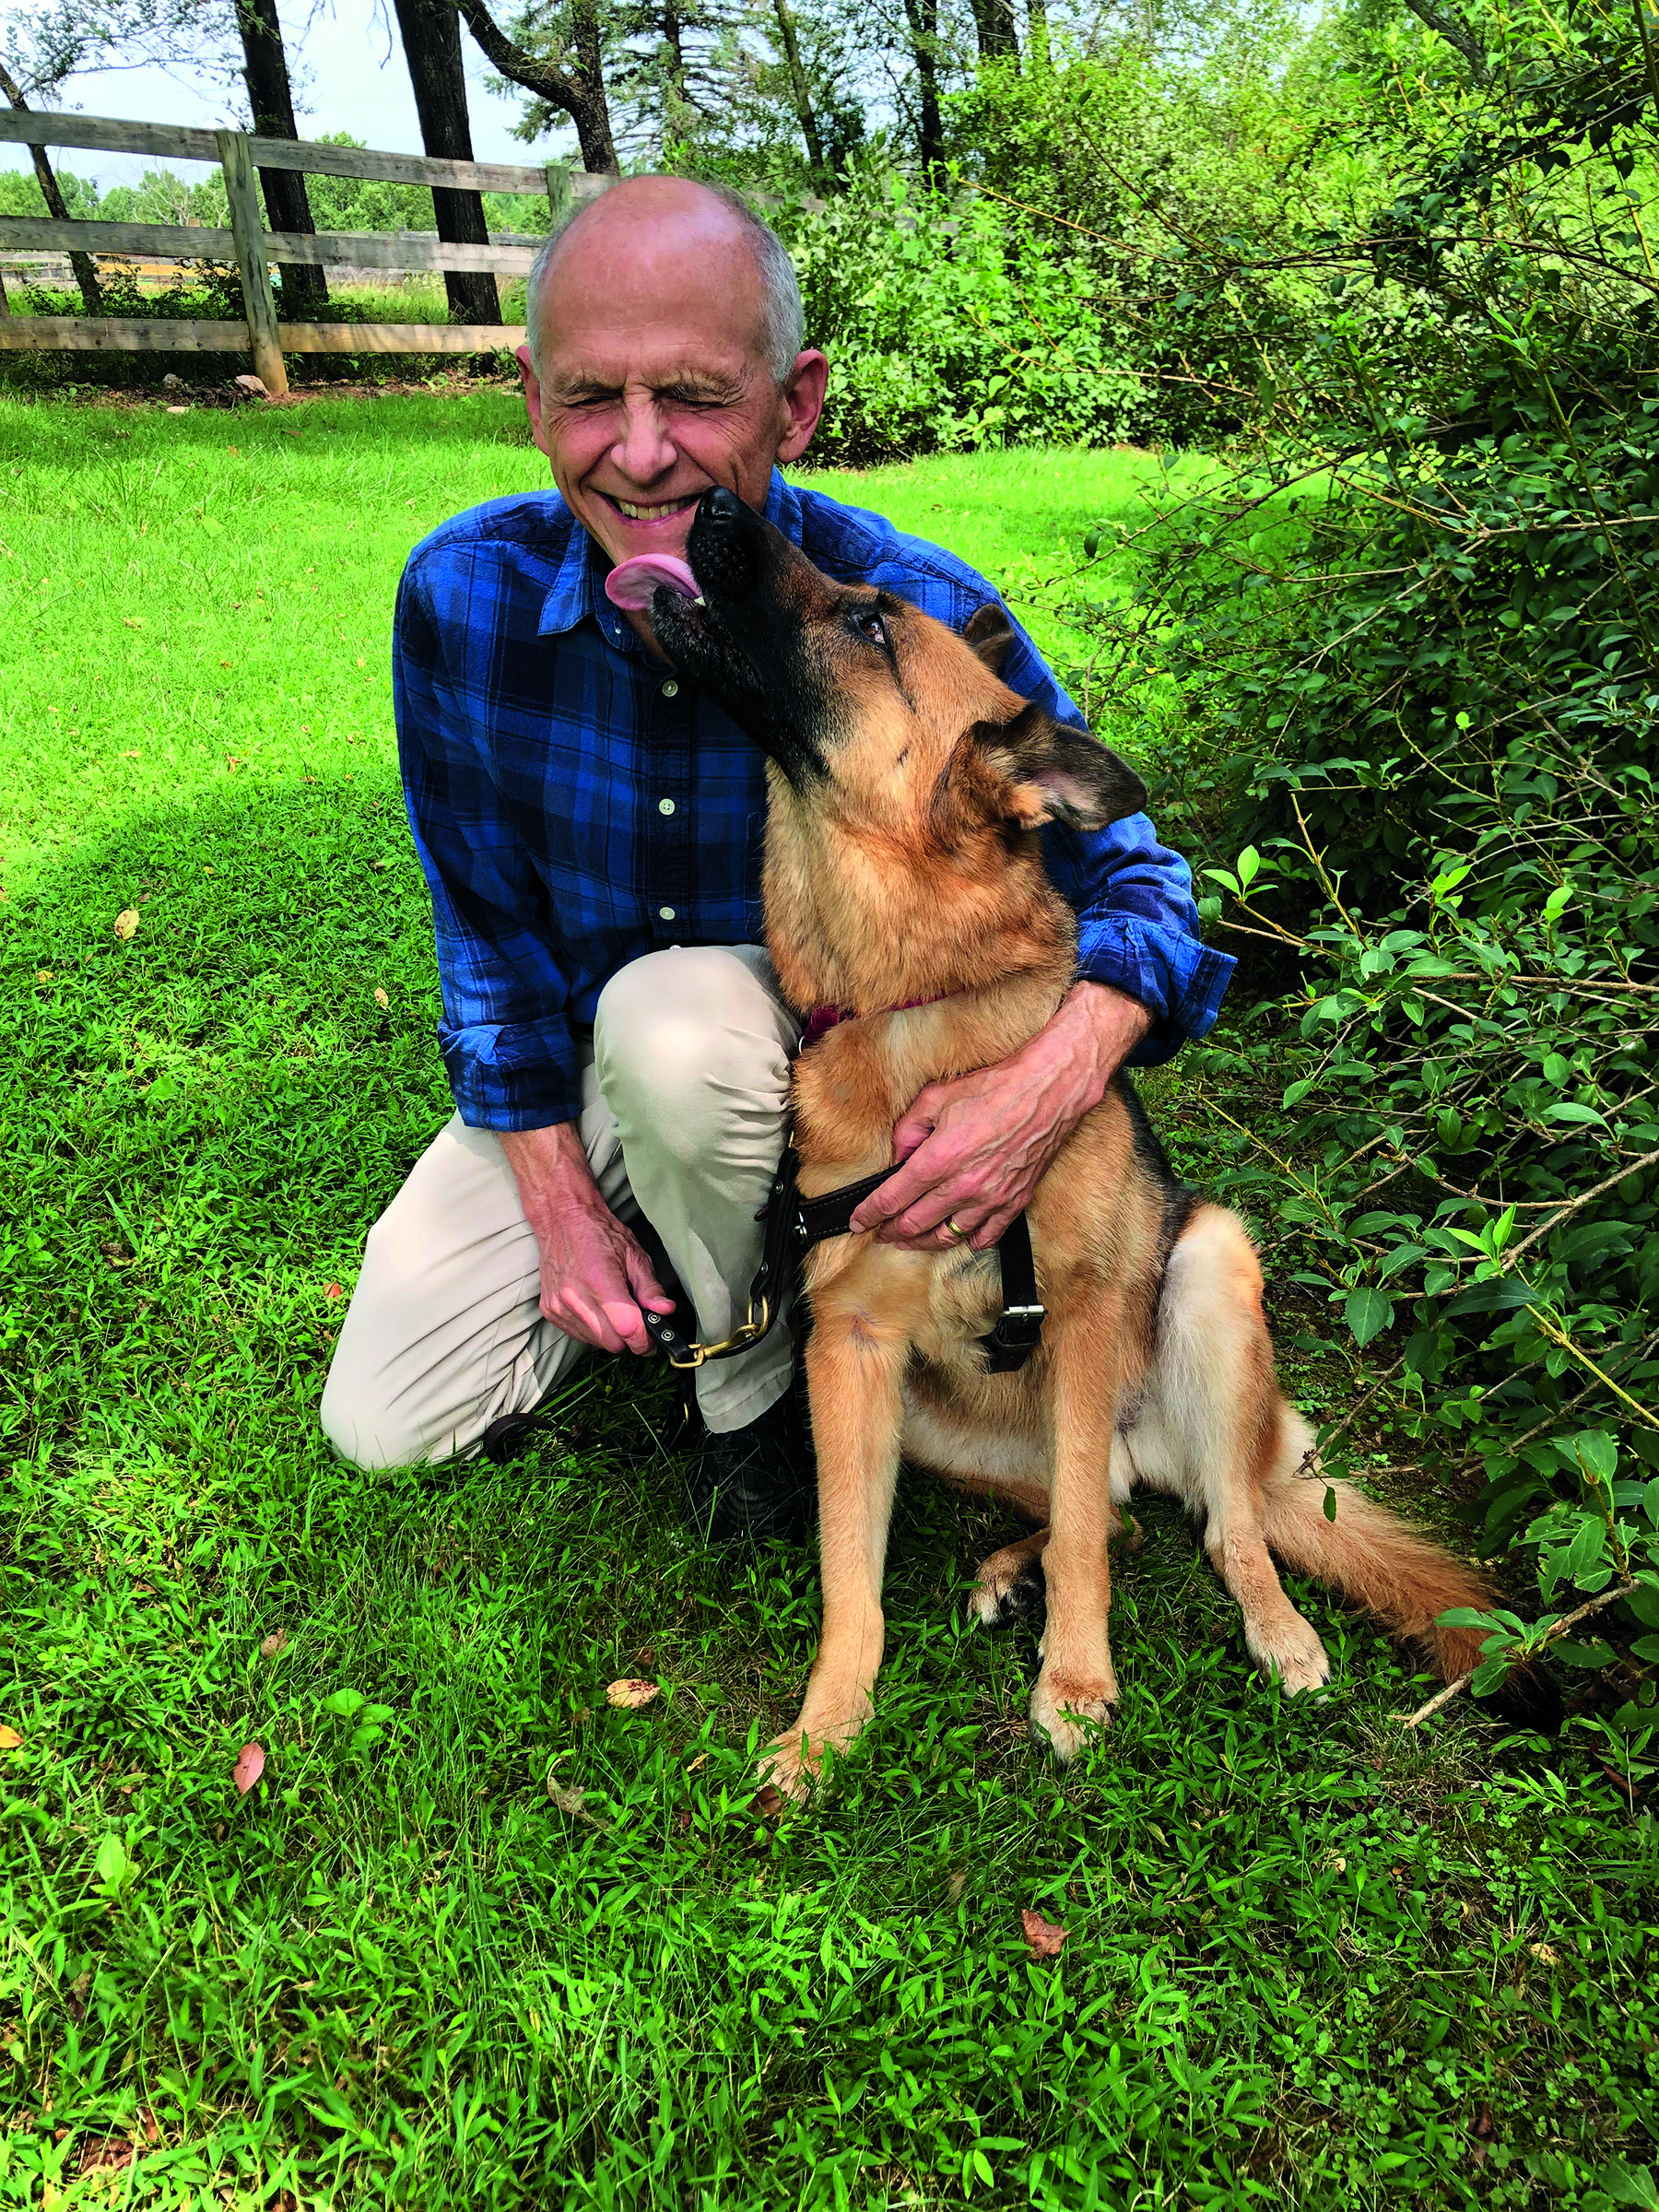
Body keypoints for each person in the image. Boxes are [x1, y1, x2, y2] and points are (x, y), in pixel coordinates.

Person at [319, 174, 1234, 1539]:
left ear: (794, 403)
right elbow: (484, 933)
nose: (637, 454)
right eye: (588, 399)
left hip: (791, 1054)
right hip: (598, 1078)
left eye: (692, 397)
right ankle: (710, 1276)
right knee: (386, 1421)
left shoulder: (899, 611)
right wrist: (562, 1199)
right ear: (528, 401)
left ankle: (747, 1403)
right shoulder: (461, 598)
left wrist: (1050, 1080)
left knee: (676, 1024)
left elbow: (1143, 880)